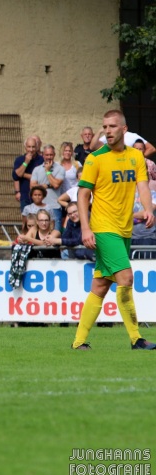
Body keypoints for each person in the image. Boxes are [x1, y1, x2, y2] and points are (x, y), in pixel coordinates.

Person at [71, 109, 156, 351]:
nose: (107, 131)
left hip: (124, 229)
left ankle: (79, 342)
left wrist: (148, 209)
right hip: (103, 227)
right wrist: (85, 229)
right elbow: (83, 194)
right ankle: (136, 338)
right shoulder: (95, 158)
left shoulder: (135, 157)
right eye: (104, 127)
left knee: (100, 285)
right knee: (126, 277)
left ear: (124, 129)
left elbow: (143, 185)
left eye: (112, 126)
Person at [30, 144, 65, 231]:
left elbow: (56, 185)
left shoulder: (60, 169)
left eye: (51, 155)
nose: (49, 157)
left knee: (55, 232)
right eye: (47, 155)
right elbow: (32, 186)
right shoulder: (37, 169)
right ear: (43, 155)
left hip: (55, 206)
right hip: (39, 205)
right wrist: (47, 186)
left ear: (54, 155)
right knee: (37, 232)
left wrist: (47, 171)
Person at [12, 136, 44, 213]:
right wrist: (26, 162)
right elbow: (15, 176)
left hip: (39, 196)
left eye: (33, 147)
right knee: (26, 221)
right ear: (25, 147)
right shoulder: (19, 160)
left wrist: (23, 174)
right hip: (25, 196)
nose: (31, 149)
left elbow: (40, 178)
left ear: (36, 147)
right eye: (29, 147)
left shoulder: (41, 160)